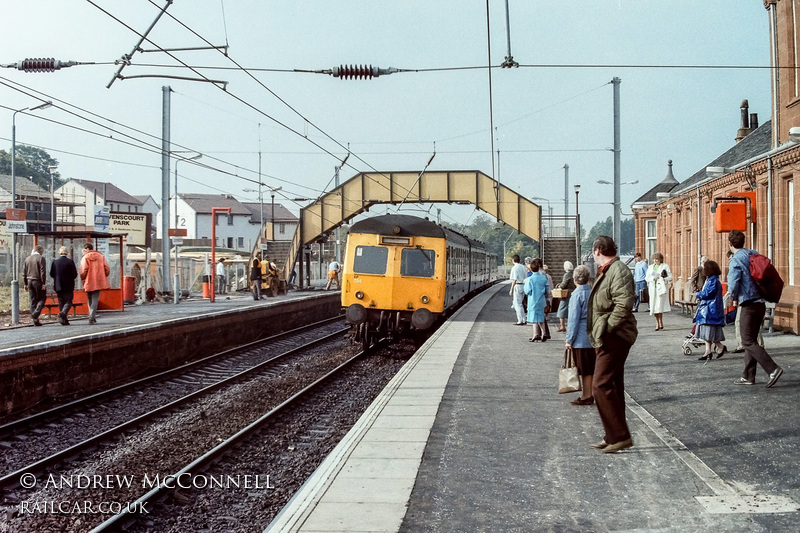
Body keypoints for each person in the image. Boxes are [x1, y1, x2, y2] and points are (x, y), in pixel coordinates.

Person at [587, 235, 638, 454]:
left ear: (598, 250)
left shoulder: (617, 270)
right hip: (610, 335)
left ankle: (620, 436)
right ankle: (613, 435)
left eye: (593, 251)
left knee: (600, 385)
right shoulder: (611, 270)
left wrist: (607, 326)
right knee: (613, 386)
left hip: (616, 336)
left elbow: (623, 304)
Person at [724, 230, 783, 387]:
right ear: (743, 241)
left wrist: (732, 297)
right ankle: (748, 376)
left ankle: (772, 369)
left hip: (748, 304)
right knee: (750, 338)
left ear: (730, 243)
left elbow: (734, 283)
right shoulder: (752, 253)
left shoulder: (735, 260)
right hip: (760, 303)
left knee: (747, 341)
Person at [565, 264, 595, 405]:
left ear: (575, 279)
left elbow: (573, 320)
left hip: (580, 338)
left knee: (584, 369)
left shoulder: (576, 295)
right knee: (591, 368)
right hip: (593, 336)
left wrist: (569, 339)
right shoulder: (592, 292)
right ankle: (591, 393)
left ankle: (586, 396)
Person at [694, 260, 727, 361]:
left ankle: (717, 347)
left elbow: (708, 294)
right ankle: (708, 351)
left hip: (710, 309)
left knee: (709, 330)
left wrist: (698, 294)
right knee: (707, 331)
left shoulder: (713, 281)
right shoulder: (711, 279)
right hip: (708, 308)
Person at [80, 242, 110, 325]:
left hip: (88, 281)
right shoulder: (101, 256)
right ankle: (92, 316)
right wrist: (104, 276)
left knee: (89, 298)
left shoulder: (85, 257)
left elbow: (83, 270)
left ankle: (91, 316)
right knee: (95, 299)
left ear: (87, 249)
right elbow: (107, 269)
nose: (83, 251)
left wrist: (83, 277)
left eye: (83, 250)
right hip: (98, 280)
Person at [50, 246, 78, 325]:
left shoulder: (55, 262)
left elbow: (52, 274)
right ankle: (63, 313)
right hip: (68, 285)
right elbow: (74, 274)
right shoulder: (70, 262)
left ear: (59, 252)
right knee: (68, 301)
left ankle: (64, 320)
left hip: (58, 285)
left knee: (61, 301)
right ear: (67, 252)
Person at [524, 258, 550, 342]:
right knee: (541, 317)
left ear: (531, 269)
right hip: (541, 300)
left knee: (534, 318)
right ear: (539, 268)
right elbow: (547, 290)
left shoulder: (529, 279)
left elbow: (527, 290)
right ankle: (544, 333)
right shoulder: (543, 278)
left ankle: (535, 334)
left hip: (532, 300)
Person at [645, 252, 672, 331]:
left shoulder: (665, 266)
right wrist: (653, 278)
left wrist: (663, 278)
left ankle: (660, 321)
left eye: (657, 259)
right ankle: (656, 322)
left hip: (661, 288)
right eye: (654, 259)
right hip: (653, 288)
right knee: (653, 306)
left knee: (659, 305)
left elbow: (670, 277)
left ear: (660, 259)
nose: (655, 261)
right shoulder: (650, 267)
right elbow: (647, 278)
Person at [23, 245, 47, 327]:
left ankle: (35, 320)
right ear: (40, 250)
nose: (42, 252)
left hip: (29, 281)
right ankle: (36, 313)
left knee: (32, 300)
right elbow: (42, 271)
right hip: (38, 281)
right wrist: (43, 283)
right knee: (42, 298)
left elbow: (24, 272)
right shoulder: (41, 258)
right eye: (42, 250)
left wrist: (25, 283)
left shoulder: (27, 259)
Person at [556, 261, 575, 332]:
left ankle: (562, 326)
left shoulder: (567, 275)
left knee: (561, 310)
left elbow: (564, 284)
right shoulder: (573, 274)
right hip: (572, 293)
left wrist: (558, 286)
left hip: (566, 294)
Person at [508, 254, 527, 325]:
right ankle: (524, 319)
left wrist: (511, 289)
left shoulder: (514, 268)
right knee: (521, 304)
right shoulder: (523, 267)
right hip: (523, 286)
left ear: (513, 260)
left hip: (518, 286)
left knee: (517, 304)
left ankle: (520, 320)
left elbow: (514, 280)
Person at [542, 264, 554, 340]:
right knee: (549, 304)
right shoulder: (549, 276)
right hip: (550, 292)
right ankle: (548, 315)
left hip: (546, 293)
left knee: (546, 305)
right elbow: (551, 285)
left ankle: (546, 315)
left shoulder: (544, 277)